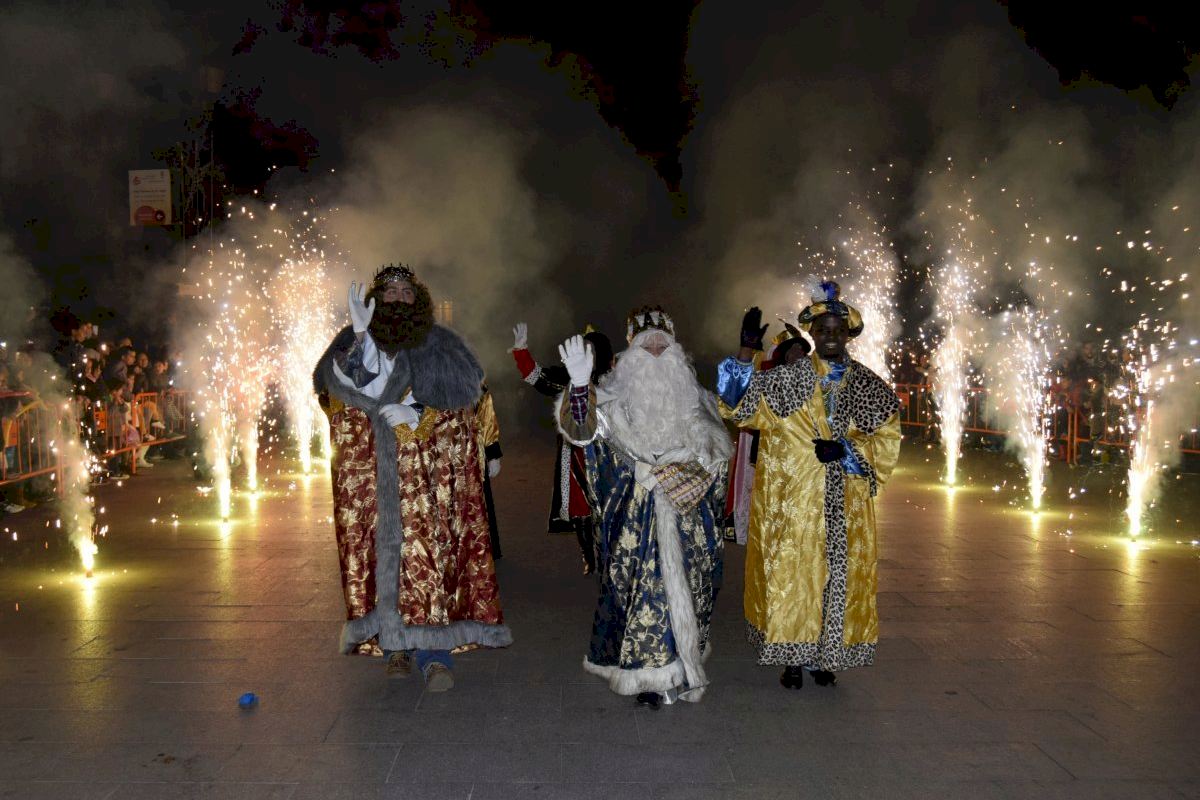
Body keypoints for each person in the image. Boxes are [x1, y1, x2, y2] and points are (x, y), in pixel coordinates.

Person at [314, 263, 512, 691]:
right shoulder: (353, 341)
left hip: (427, 482)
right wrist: (360, 338)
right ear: (376, 299)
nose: (399, 298)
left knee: (428, 559)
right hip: (376, 481)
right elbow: (339, 399)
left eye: (407, 292)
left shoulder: (440, 344)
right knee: (383, 561)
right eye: (390, 292)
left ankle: (433, 653)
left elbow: (466, 400)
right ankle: (395, 646)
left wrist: (419, 414)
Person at [716, 281, 901, 690]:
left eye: (838, 330)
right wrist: (745, 353)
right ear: (812, 334)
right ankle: (793, 659)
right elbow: (738, 408)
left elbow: (888, 439)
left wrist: (848, 452)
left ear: (849, 335)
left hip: (847, 506)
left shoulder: (869, 386)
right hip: (796, 502)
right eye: (823, 330)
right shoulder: (789, 379)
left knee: (839, 578)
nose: (830, 336)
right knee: (796, 577)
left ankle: (826, 656)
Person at [556, 306, 732, 708]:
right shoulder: (612, 396)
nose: (655, 352)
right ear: (630, 351)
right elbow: (581, 432)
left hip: (688, 514)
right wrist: (580, 387)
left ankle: (680, 666)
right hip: (633, 517)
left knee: (686, 594)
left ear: (675, 350)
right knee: (640, 593)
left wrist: (686, 466)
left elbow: (718, 447)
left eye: (662, 345)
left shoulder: (695, 396)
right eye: (646, 345)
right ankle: (648, 676)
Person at [510, 321, 614, 573]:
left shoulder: (615, 380)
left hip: (609, 456)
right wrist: (521, 351)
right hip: (576, 454)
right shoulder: (570, 377)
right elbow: (538, 378)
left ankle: (610, 552)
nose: (585, 354)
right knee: (580, 506)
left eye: (591, 349)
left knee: (610, 504)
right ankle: (588, 555)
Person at [723, 323, 811, 545]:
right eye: (794, 350)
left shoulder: (813, 383)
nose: (799, 354)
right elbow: (735, 405)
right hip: (772, 459)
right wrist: (745, 353)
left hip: (804, 463)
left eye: (802, 351)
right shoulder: (769, 380)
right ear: (784, 355)